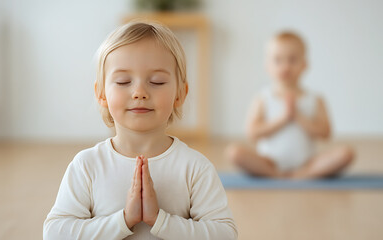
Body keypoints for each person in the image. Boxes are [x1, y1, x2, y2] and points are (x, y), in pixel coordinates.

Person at [43, 21, 238, 239]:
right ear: (101, 94)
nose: (139, 92)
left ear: (180, 94)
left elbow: (225, 233)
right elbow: (55, 233)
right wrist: (124, 220)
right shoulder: (87, 166)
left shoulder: (195, 168)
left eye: (157, 81)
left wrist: (160, 220)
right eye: (123, 81)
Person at [225, 31, 354, 179]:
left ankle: (303, 173)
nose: (285, 66)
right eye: (278, 60)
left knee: (346, 153)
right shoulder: (262, 98)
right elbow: (252, 132)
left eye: (292, 60)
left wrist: (298, 117)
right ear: (267, 65)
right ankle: (275, 174)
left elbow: (326, 132)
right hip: (269, 162)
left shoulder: (315, 99)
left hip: (307, 162)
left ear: (304, 65)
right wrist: (283, 118)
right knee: (234, 153)